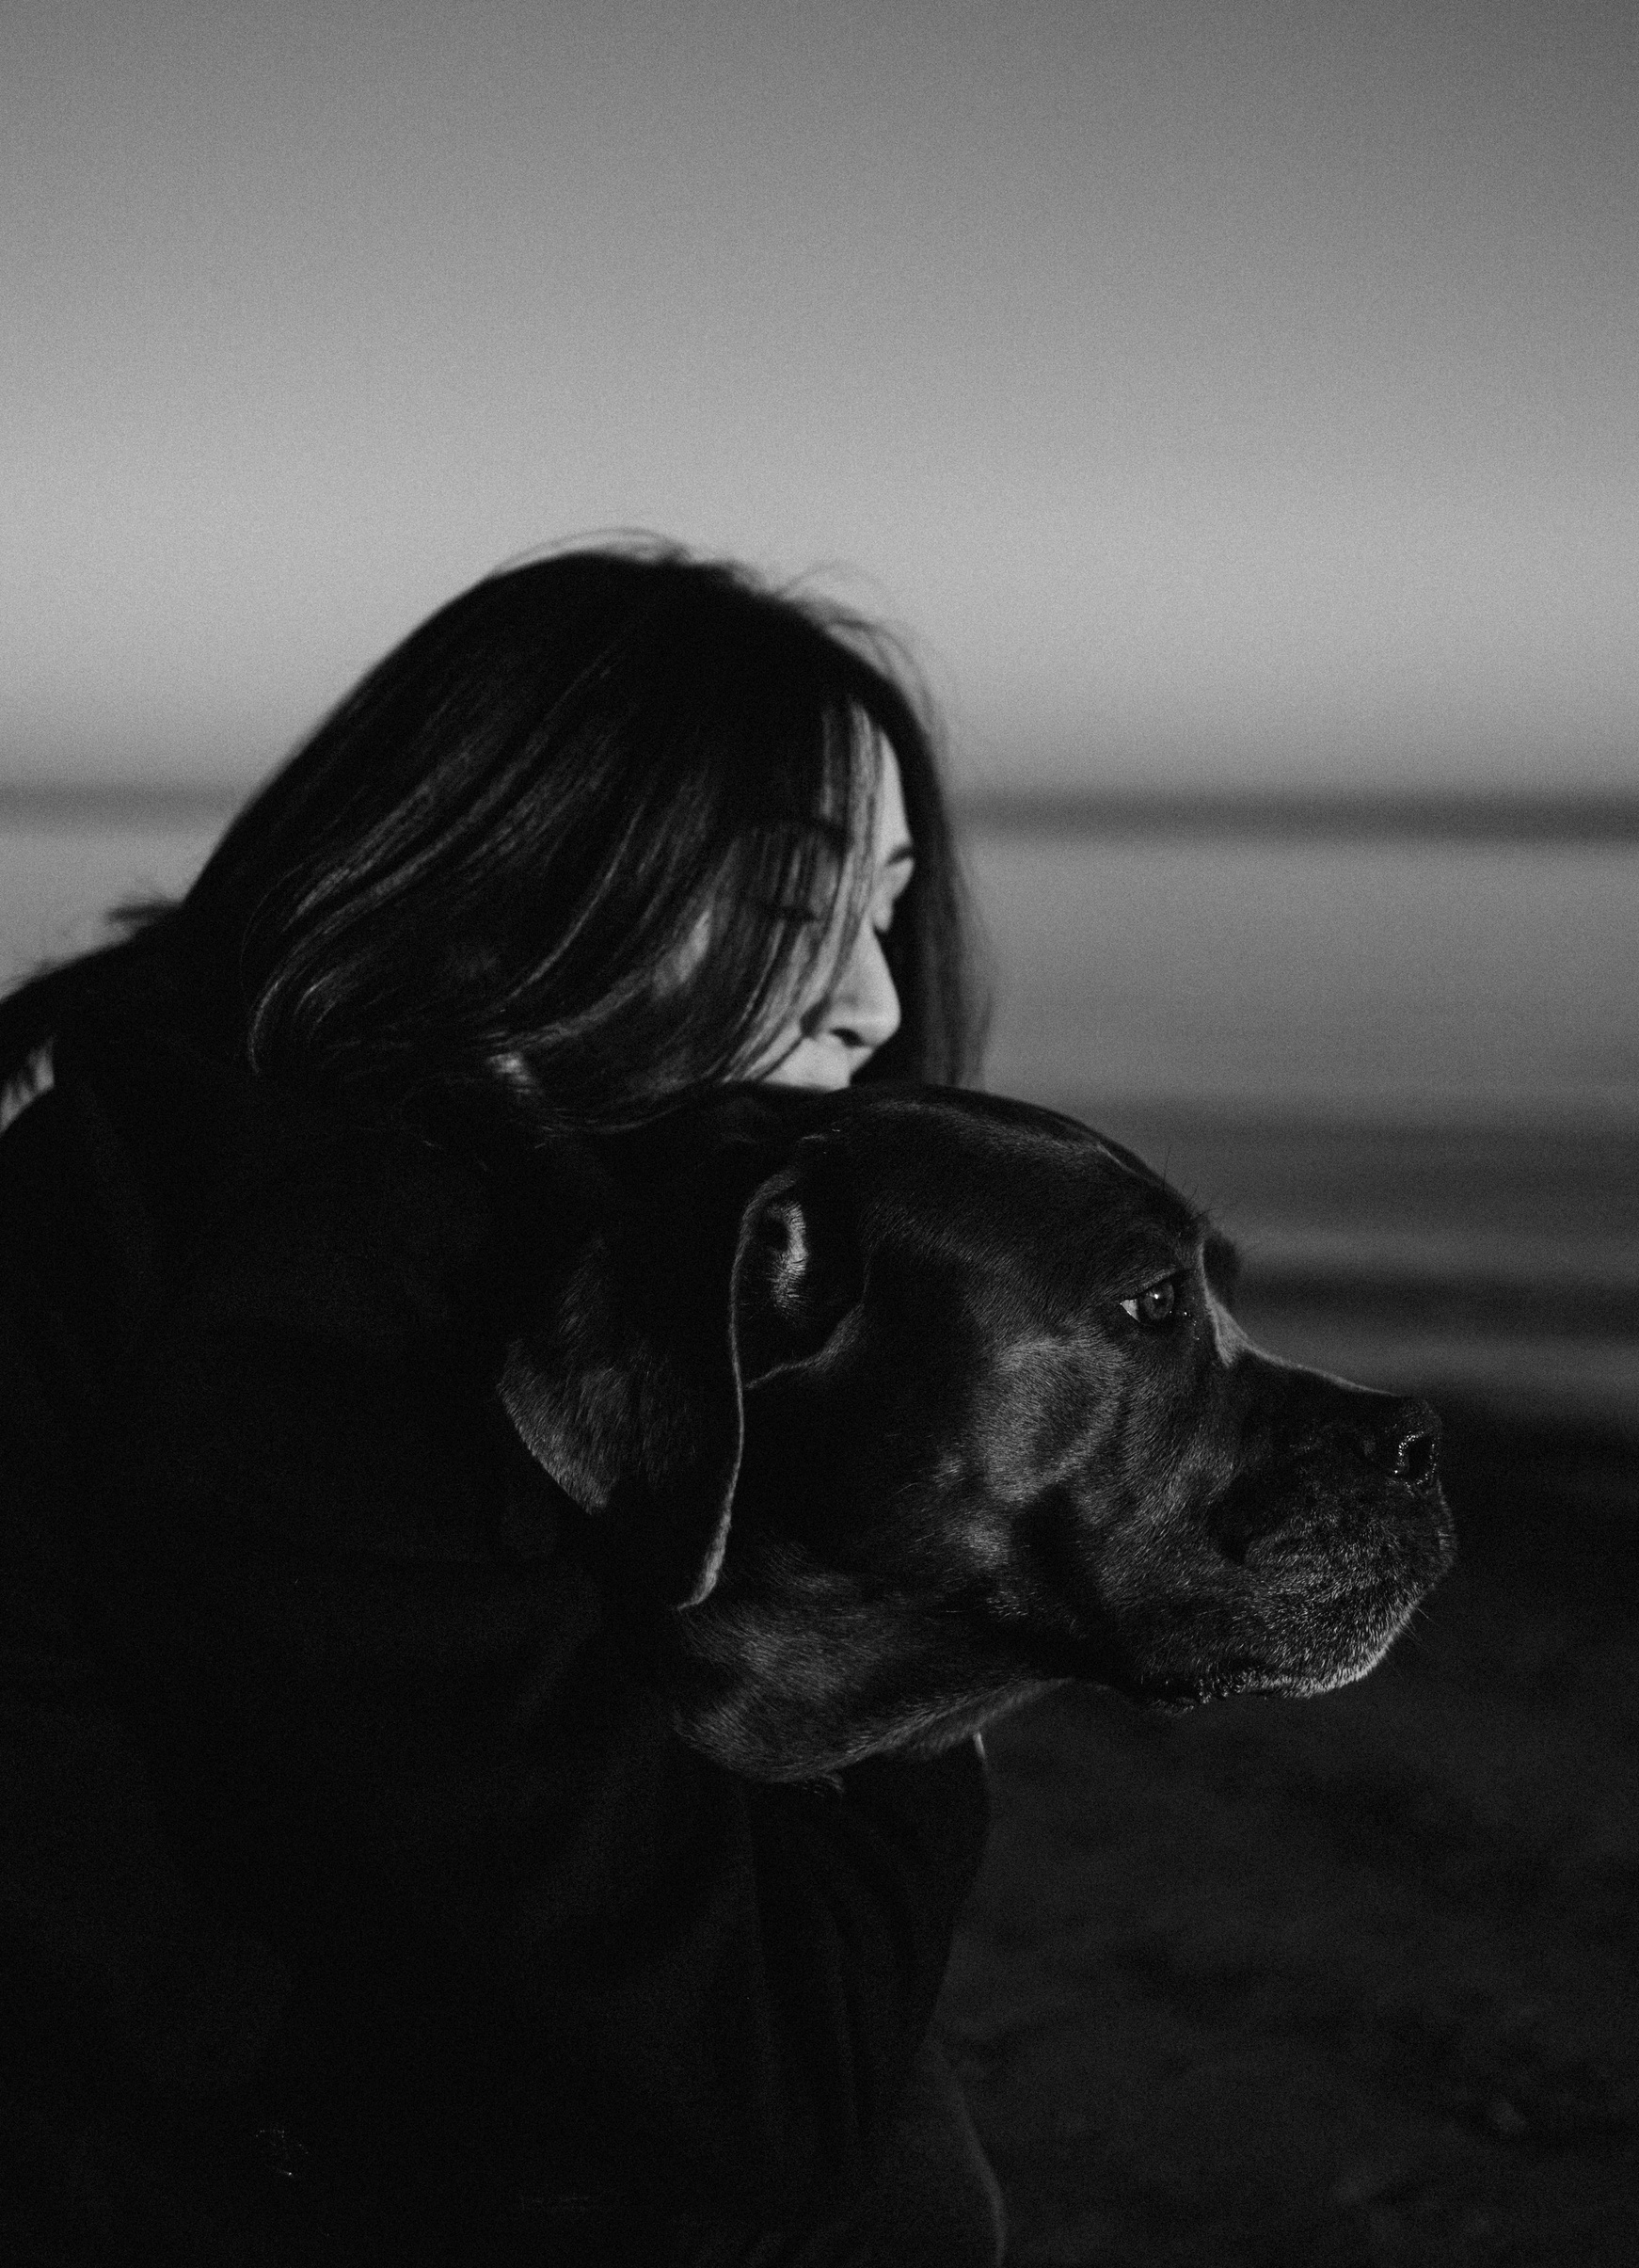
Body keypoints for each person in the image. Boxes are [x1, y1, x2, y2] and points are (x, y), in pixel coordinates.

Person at [0, 545, 1008, 2266]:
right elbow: (765, 2089)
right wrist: (930, 1665)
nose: (877, 1005)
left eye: (884, 913)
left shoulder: (172, 1132)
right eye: (791, 912)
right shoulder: (340, 1304)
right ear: (520, 869)